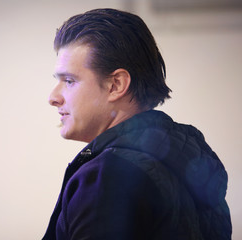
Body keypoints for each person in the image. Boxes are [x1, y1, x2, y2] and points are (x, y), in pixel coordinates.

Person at [43, 8, 232, 240]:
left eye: (69, 81)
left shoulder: (107, 177)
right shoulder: (184, 158)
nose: (53, 97)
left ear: (116, 85)